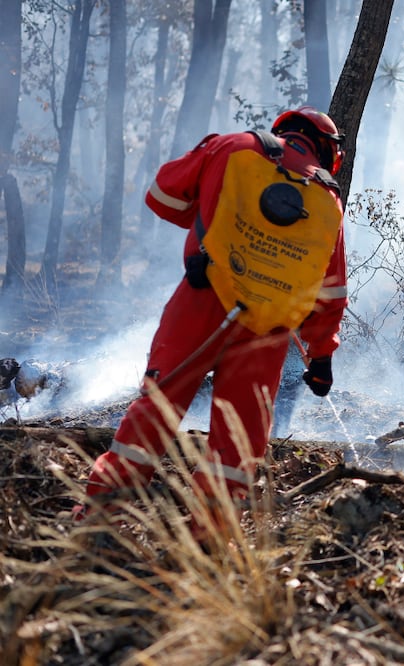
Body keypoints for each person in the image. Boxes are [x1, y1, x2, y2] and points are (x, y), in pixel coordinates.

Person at [74, 107, 348, 539]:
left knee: (158, 408)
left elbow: (162, 195)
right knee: (239, 441)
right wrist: (322, 356)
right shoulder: (327, 197)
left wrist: (212, 214)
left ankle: (100, 521)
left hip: (202, 300)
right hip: (268, 330)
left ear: (283, 130)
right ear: (330, 153)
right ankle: (210, 537)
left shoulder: (235, 146)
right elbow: (330, 292)